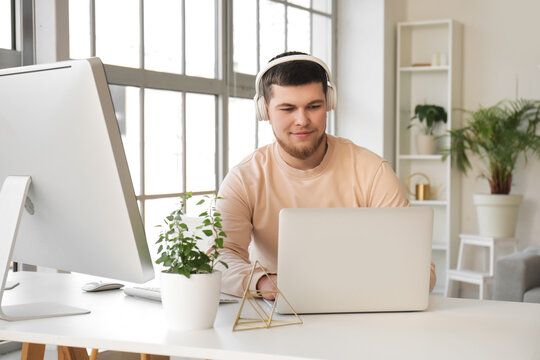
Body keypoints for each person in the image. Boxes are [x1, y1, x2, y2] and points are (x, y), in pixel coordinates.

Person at [216, 51, 436, 299]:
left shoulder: (372, 171)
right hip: (276, 314)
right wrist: (264, 284)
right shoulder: (244, 178)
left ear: (329, 103)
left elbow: (421, 271)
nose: (302, 120)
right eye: (287, 108)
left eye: (314, 106)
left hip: (360, 309)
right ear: (265, 110)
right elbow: (219, 258)